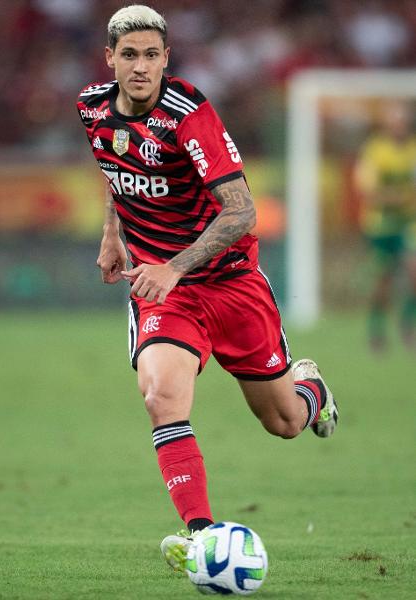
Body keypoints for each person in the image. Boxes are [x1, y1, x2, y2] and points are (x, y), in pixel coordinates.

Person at [77, 4, 338, 572]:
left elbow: (242, 212)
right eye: (129, 55)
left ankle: (312, 389)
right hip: (164, 291)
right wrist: (112, 235)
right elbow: (111, 165)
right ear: (110, 59)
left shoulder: (189, 113)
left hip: (229, 283)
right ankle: (202, 535)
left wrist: (175, 263)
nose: (140, 66)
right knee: (161, 397)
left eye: (151, 55)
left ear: (166, 59)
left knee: (285, 422)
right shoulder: (91, 107)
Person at [355, 101, 416, 351]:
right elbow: (369, 192)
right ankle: (376, 332)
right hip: (380, 225)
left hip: (408, 223)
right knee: (383, 282)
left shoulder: (413, 149)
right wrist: (401, 197)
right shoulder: (374, 151)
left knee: (414, 275)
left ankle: (407, 327)